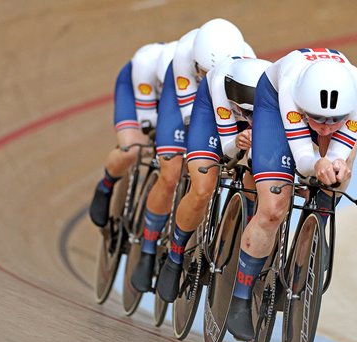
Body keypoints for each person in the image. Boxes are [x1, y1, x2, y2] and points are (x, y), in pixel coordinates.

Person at [225, 47, 357, 341]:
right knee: (274, 208)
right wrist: (316, 164)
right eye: (316, 119)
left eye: (334, 120)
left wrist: (335, 164)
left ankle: (320, 220)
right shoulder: (292, 90)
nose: (324, 128)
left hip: (321, 104)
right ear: (305, 108)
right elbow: (304, 156)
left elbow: (339, 150)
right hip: (274, 105)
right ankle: (240, 297)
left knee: (343, 167)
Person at [129, 18, 255, 296]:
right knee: (172, 172)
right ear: (196, 64)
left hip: (227, 103)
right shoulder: (185, 54)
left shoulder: (248, 61)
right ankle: (149, 251)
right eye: (204, 71)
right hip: (186, 103)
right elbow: (189, 116)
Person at [149, 56, 272, 303]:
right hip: (213, 117)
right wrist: (238, 142)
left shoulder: (274, 91)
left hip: (261, 112)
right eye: (247, 111)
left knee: (259, 179)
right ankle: (175, 255)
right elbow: (228, 149)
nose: (250, 116)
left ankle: (246, 235)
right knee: (203, 188)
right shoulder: (218, 85)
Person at [88, 41, 177, 228]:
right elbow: (147, 122)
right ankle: (106, 184)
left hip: (177, 100)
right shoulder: (146, 63)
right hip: (136, 91)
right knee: (134, 148)